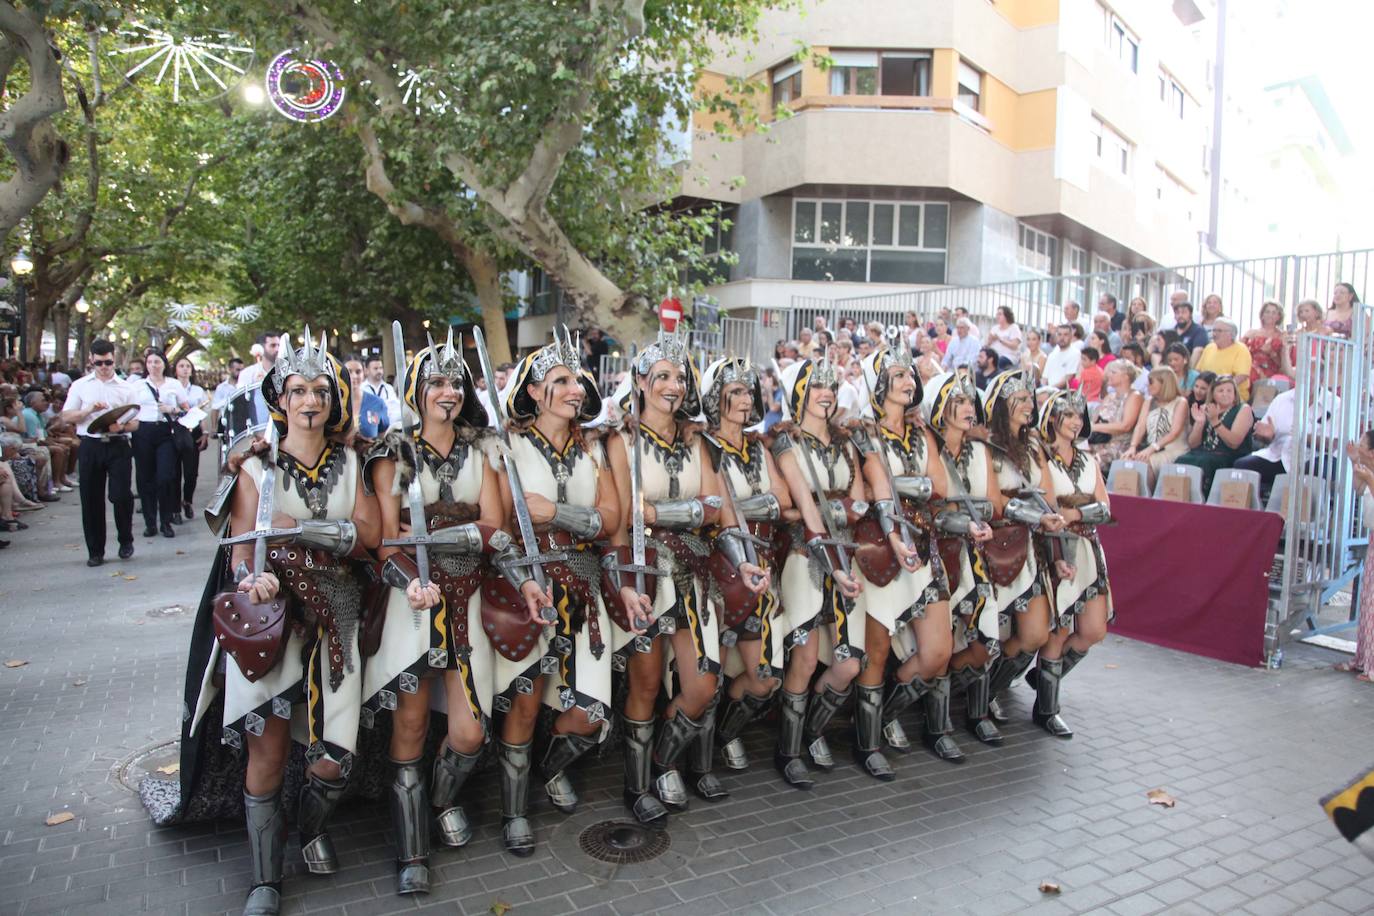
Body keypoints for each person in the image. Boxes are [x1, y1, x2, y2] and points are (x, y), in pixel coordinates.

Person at [144, 329, 381, 916]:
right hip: (272, 622)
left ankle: (308, 828)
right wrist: (253, 576)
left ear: (333, 399)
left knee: (334, 757)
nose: (310, 400)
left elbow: (370, 537)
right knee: (268, 753)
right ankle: (265, 877)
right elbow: (244, 547)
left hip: (337, 616)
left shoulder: (353, 459)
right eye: (298, 390)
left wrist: (302, 532)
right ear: (279, 398)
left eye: (320, 391)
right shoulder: (257, 463)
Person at [360, 328, 529, 883]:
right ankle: (412, 852)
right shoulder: (392, 452)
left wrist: (430, 526)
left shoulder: (484, 447)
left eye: (455, 381)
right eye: (436, 381)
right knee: (408, 724)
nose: (448, 391)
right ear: (416, 389)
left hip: (470, 597)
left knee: (469, 733)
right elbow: (386, 539)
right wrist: (415, 568)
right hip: (413, 596)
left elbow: (496, 524)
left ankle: (439, 799)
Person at [491, 329, 617, 847]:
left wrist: (554, 512)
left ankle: (550, 767)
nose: (576, 389)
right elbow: (500, 524)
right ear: (534, 390)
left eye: (578, 380)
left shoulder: (594, 448)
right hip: (528, 582)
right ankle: (513, 809)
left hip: (585, 582)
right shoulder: (508, 446)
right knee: (524, 701)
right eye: (561, 380)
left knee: (590, 711)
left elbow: (610, 520)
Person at [605, 332, 734, 816]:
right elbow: (623, 517)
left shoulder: (696, 439)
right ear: (640, 381)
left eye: (680, 377)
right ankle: (636, 787)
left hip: (693, 573)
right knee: (644, 683)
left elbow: (716, 506)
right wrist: (624, 579)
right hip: (644, 572)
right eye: (662, 376)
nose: (673, 385)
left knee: (703, 682)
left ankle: (663, 762)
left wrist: (660, 514)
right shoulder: (620, 440)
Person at [850, 333, 954, 774]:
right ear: (879, 384)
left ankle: (887, 713)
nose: (907, 381)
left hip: (923, 544)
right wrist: (898, 526)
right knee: (874, 651)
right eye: (896, 375)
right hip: (881, 547)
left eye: (910, 373)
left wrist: (905, 486)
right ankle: (868, 741)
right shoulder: (863, 432)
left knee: (937, 653)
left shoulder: (922, 433)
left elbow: (942, 488)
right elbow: (879, 488)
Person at [767, 357, 867, 787]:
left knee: (849, 664)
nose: (826, 393)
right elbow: (804, 505)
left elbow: (860, 504)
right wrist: (832, 515)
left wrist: (840, 510)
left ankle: (811, 732)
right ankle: (787, 750)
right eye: (816, 387)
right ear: (802, 395)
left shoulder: (846, 443)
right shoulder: (788, 443)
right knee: (805, 658)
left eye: (831, 386)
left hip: (847, 552)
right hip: (804, 554)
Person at [697, 357, 788, 782]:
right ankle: (699, 758)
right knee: (707, 672)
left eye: (747, 391)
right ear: (716, 399)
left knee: (764, 678)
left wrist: (742, 506)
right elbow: (714, 511)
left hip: (762, 566)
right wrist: (757, 505)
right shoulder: (703, 445)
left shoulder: (757, 447)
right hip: (718, 567)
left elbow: (783, 501)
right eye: (733, 392)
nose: (743, 399)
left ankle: (726, 733)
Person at [979, 370, 1072, 739]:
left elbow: (1047, 494)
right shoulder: (986, 444)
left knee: (1033, 634)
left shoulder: (1034, 445)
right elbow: (992, 499)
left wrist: (1048, 518)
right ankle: (974, 705)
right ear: (1003, 406)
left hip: (1032, 547)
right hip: (992, 545)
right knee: (985, 634)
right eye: (1019, 400)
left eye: (1029, 400)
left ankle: (991, 691)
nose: (1028, 406)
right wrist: (1027, 511)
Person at [1026, 390, 1113, 737]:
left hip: (1089, 546)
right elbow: (1047, 510)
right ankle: (1047, 708)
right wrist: (1075, 512)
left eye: (1080, 415)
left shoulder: (1090, 460)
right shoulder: (1040, 457)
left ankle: (1045, 676)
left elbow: (1104, 509)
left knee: (1093, 629)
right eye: (1069, 414)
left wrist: (1075, 512)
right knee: (1058, 627)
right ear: (1054, 417)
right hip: (1053, 546)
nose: (1076, 421)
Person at [921, 371, 997, 757]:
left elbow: (995, 504)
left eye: (972, 402)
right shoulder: (927, 448)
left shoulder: (980, 451)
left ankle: (956, 703)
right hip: (933, 553)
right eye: (961, 402)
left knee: (986, 638)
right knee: (938, 641)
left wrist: (975, 515)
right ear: (941, 407)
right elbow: (929, 508)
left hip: (973, 554)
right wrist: (962, 518)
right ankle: (935, 725)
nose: (970, 408)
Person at [59, 340, 140, 565]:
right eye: (99, 362)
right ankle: (95, 551)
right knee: (91, 499)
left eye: (108, 362)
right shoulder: (81, 385)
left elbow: (135, 421)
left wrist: (122, 426)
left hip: (118, 444)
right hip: (91, 444)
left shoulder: (126, 387)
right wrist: (88, 410)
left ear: (115, 360)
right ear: (91, 361)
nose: (104, 366)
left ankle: (126, 539)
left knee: (121, 495)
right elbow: (67, 416)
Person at [130, 350, 182, 538]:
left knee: (165, 477)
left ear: (164, 364)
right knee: (145, 478)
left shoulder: (173, 384)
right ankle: (150, 522)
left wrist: (172, 409)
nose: (153, 365)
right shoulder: (137, 385)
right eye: (150, 362)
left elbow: (185, 408)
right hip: (143, 431)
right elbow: (130, 408)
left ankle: (166, 521)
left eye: (157, 362)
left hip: (165, 431)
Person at [1337, 433, 1374, 680]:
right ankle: (1363, 658)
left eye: (1361, 445)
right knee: (1366, 603)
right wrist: (1353, 463)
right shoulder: (1365, 468)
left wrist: (1370, 478)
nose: (1357, 447)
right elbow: (1359, 490)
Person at [1177, 377, 1254, 495]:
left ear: (1235, 393)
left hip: (1229, 456)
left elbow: (1234, 443)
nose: (1225, 394)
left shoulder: (1243, 409)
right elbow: (1193, 444)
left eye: (1229, 391)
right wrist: (1200, 423)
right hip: (1205, 453)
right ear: (1212, 394)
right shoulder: (1207, 408)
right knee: (1181, 459)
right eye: (1221, 391)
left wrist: (1215, 422)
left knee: (1204, 462)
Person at [1123, 369, 1189, 486]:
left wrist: (1152, 448)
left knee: (1145, 464)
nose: (1148, 385)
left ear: (1164, 383)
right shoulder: (1149, 402)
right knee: (1126, 460)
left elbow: (1174, 433)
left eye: (1151, 382)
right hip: (1151, 449)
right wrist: (1133, 447)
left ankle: (1147, 500)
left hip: (1173, 449)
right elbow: (1140, 426)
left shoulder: (1181, 402)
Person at [168, 356, 210, 519]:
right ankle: (175, 507)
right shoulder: (170, 387)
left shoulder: (198, 390)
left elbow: (201, 415)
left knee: (191, 472)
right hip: (176, 431)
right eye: (181, 366)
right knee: (174, 472)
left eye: (188, 366)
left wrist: (205, 433)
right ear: (175, 369)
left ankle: (187, 501)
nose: (185, 369)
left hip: (193, 432)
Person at [1089, 361, 1142, 469]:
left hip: (1119, 446)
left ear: (1126, 377)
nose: (1109, 375)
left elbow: (1125, 426)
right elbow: (1096, 420)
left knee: (1088, 464)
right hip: (1098, 441)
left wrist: (1094, 427)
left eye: (1113, 372)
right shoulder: (1109, 396)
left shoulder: (1134, 396)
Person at [22, 391, 75, 490]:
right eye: (42, 401)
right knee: (59, 449)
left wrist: (56, 441)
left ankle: (62, 478)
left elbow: (44, 436)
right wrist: (56, 443)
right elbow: (37, 440)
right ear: (33, 403)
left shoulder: (38, 415)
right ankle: (55, 482)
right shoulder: (29, 415)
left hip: (35, 442)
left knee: (67, 445)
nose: (46, 403)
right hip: (26, 444)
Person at [1194, 320, 1253, 402]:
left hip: (1231, 397)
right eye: (1214, 330)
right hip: (1206, 395)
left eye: (1219, 331)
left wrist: (1217, 390)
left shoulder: (1241, 350)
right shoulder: (1209, 348)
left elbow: (1241, 376)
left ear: (1231, 334)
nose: (1214, 334)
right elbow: (1199, 371)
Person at [1242, 301, 1287, 388]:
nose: (1270, 315)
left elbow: (1284, 364)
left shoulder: (1283, 335)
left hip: (1273, 370)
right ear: (1262, 315)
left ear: (1279, 317)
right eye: (1267, 312)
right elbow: (1240, 353)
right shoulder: (1252, 332)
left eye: (1274, 313)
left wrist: (1271, 353)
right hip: (1252, 368)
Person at [344, 357, 389, 438]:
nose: (354, 376)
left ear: (364, 373)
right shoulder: (335, 403)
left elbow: (382, 436)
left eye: (358, 372)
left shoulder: (377, 403)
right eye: (349, 371)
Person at [363, 356, 402, 433]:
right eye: (375, 368)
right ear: (367, 370)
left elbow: (396, 410)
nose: (379, 371)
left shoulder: (389, 388)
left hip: (388, 431)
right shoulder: (362, 389)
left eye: (381, 368)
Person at [210, 357, 244, 435]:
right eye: (238, 370)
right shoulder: (221, 387)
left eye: (242, 370)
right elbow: (215, 408)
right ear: (230, 369)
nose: (241, 372)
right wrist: (213, 428)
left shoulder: (246, 385)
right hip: (226, 421)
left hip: (244, 420)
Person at [1042, 324, 1083, 389]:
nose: (1062, 338)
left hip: (1063, 393)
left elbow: (1068, 378)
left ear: (1071, 336)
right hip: (1048, 391)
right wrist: (1042, 389)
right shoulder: (1052, 354)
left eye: (1065, 335)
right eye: (1059, 334)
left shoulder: (1075, 353)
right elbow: (1044, 378)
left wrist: (1049, 389)